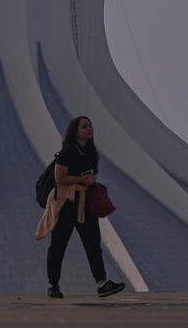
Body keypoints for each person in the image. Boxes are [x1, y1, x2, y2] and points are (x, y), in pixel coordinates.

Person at [46, 116, 125, 299]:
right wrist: (82, 179)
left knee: (93, 244)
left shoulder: (90, 153)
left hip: (84, 204)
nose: (89, 129)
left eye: (90, 126)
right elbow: (60, 179)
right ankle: (53, 285)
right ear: (76, 132)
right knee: (58, 245)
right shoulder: (67, 152)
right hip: (66, 205)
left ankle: (102, 284)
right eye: (84, 127)